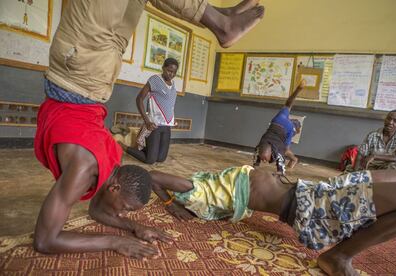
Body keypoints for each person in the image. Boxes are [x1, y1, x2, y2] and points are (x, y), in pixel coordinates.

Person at [33, 0, 264, 257]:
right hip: (81, 69)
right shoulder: (84, 169)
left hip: (94, 73)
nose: (121, 213)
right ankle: (218, 20)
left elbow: (98, 210)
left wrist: (135, 227)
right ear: (114, 188)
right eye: (126, 209)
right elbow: (45, 240)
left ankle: (216, 18)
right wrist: (114, 242)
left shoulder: (108, 165)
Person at [149, 166, 396, 276]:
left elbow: (153, 176)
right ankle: (338, 256)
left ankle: (343, 247)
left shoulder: (194, 190)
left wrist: (170, 202)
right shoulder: (198, 195)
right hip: (312, 209)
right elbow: (153, 175)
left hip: (315, 193)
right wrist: (173, 203)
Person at [124, 58, 179, 164]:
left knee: (161, 158)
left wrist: (173, 119)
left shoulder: (173, 84)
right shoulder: (155, 80)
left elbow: (169, 104)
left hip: (166, 126)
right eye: (169, 70)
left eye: (174, 72)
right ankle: (125, 148)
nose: (171, 74)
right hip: (154, 125)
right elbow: (139, 99)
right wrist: (147, 121)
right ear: (163, 68)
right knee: (150, 160)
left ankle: (146, 149)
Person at [254, 80, 306, 173]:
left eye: (265, 159)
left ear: (271, 153)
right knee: (287, 105)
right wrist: (255, 167)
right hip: (276, 122)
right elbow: (255, 165)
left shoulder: (278, 153)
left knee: (285, 150)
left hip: (287, 128)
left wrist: (279, 172)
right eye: (263, 159)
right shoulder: (259, 149)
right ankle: (298, 90)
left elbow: (280, 171)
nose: (264, 161)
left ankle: (294, 159)